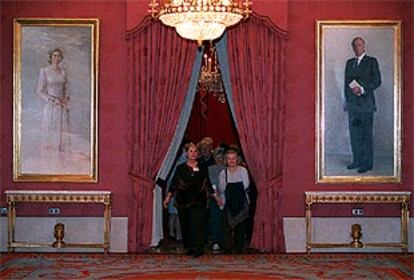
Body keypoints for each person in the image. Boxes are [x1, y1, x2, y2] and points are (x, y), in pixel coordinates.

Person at [163, 143, 221, 257]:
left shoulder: (203, 167)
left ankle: (198, 248)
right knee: (186, 224)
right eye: (191, 151)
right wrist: (168, 197)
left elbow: (207, 183)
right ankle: (190, 247)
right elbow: (174, 184)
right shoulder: (180, 168)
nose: (193, 153)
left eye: (195, 151)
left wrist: (216, 197)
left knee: (198, 223)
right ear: (186, 153)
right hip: (183, 200)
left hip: (199, 200)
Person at [344, 37, 382, 173]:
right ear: (352, 47)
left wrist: (363, 89)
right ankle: (357, 161)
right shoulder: (349, 63)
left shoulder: (372, 61)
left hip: (366, 105)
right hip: (353, 106)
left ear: (364, 46)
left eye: (359, 45)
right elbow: (346, 84)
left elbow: (377, 81)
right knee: (355, 135)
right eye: (354, 45)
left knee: (366, 135)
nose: (357, 47)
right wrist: (346, 101)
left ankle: (367, 164)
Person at [37, 48, 71, 170]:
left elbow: (67, 88)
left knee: (62, 132)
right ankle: (49, 162)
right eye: (54, 55)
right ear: (50, 57)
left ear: (61, 58)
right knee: (51, 131)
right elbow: (40, 91)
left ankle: (61, 162)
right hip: (51, 106)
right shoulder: (44, 71)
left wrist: (66, 99)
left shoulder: (63, 72)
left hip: (62, 106)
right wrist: (51, 99)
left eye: (59, 56)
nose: (56, 58)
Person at [218, 147, 250, 254]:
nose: (231, 161)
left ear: (237, 159)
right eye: (229, 158)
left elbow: (246, 185)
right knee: (226, 226)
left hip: (241, 203)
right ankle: (227, 247)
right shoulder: (223, 173)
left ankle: (239, 247)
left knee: (240, 226)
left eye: (233, 158)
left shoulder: (243, 171)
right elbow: (221, 188)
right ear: (226, 160)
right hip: (227, 203)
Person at [207, 147, 226, 251]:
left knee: (226, 220)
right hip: (214, 198)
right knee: (215, 219)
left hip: (227, 197)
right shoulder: (210, 169)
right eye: (216, 157)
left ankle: (225, 241)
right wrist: (216, 196)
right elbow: (210, 183)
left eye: (220, 157)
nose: (218, 159)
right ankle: (216, 240)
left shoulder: (228, 168)